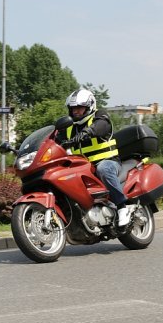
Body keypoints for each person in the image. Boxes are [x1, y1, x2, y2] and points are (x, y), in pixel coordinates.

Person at [55, 89, 130, 227]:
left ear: (89, 106)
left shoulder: (100, 116)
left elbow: (99, 127)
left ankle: (122, 207)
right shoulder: (70, 127)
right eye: (73, 109)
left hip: (109, 163)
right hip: (84, 167)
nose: (75, 111)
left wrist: (85, 133)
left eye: (79, 108)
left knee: (103, 169)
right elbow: (54, 139)